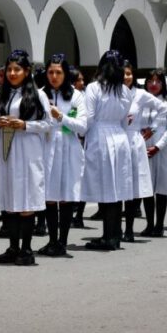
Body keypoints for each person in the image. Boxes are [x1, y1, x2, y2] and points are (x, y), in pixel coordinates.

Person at [0, 50, 52, 265]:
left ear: (27, 71)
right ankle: (13, 247)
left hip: (27, 149)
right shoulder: (1, 94)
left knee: (25, 197)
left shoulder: (37, 95)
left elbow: (48, 124)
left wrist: (25, 124)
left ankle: (26, 249)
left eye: (17, 69)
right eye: (9, 70)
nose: (12, 73)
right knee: (9, 197)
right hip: (5, 148)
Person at [81, 51, 134, 250]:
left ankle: (109, 237)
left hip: (100, 136)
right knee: (116, 189)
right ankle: (113, 234)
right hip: (119, 137)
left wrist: (79, 131)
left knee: (106, 188)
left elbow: (88, 118)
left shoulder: (94, 88)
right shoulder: (125, 91)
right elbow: (125, 121)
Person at [37, 54, 87, 257]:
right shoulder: (40, 94)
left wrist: (61, 117)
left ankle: (63, 242)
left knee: (66, 196)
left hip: (68, 147)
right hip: (46, 146)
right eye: (51, 72)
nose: (54, 76)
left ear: (65, 74)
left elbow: (82, 126)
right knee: (49, 196)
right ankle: (52, 240)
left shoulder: (75, 96)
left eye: (58, 72)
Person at [121, 62, 166, 242]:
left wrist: (152, 128)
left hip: (133, 141)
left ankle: (129, 230)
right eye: (123, 74)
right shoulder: (113, 93)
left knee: (132, 188)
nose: (126, 77)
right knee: (118, 186)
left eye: (129, 74)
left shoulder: (140, 94)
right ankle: (114, 228)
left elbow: (162, 108)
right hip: (116, 139)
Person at [141, 69, 167, 237]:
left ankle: (159, 225)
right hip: (144, 149)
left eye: (157, 81)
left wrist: (158, 146)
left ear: (163, 84)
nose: (154, 84)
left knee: (162, 188)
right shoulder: (141, 102)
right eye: (150, 81)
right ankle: (149, 224)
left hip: (163, 150)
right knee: (147, 188)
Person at [71, 68, 90, 229]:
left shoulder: (83, 97)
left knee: (81, 179)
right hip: (74, 139)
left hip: (83, 141)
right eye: (79, 80)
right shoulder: (70, 97)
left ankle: (79, 215)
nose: (82, 83)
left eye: (83, 80)